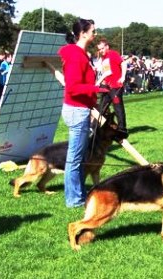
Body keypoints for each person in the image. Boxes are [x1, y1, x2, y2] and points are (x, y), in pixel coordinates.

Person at [58, 18, 109, 208]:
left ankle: (78, 193)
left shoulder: (82, 54)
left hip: (81, 109)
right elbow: (72, 87)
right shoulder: (75, 55)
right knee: (75, 158)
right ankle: (74, 199)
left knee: (79, 157)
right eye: (93, 31)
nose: (95, 34)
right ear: (83, 33)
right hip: (76, 110)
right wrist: (97, 89)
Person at [95, 39, 128, 139]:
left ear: (107, 46)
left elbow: (124, 64)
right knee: (102, 107)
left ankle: (122, 130)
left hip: (116, 86)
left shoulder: (112, 54)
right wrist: (102, 82)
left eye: (102, 48)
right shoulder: (104, 58)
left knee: (118, 108)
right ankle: (99, 128)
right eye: (99, 49)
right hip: (108, 87)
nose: (101, 51)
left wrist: (122, 77)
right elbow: (107, 72)